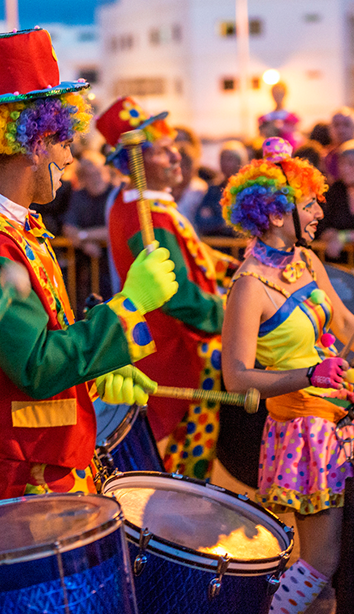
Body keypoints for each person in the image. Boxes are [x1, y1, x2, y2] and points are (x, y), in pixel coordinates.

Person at [0, 27, 178, 513]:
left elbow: (28, 345)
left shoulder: (10, 220)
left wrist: (96, 373)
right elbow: (35, 366)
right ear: (36, 142)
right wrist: (131, 305)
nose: (72, 158)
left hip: (26, 464)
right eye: (66, 142)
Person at [221, 138, 354, 614]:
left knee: (349, 552)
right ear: (275, 214)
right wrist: (308, 371)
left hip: (343, 415)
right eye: (311, 203)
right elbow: (237, 378)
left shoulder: (306, 259)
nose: (320, 211)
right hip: (304, 430)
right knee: (319, 560)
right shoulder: (249, 287)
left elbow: (344, 322)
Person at [100, 96, 228, 480]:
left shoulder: (151, 205)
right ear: (136, 162)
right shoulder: (144, 215)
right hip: (180, 347)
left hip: (180, 340)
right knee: (186, 457)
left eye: (176, 149)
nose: (177, 159)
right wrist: (228, 314)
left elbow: (197, 255)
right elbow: (175, 296)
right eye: (164, 152)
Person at [63, 149, 114, 311]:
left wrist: (83, 235)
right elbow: (68, 227)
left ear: (105, 171)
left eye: (97, 172)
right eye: (88, 174)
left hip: (112, 265)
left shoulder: (115, 194)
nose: (94, 177)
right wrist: (85, 245)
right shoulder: (79, 196)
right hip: (87, 267)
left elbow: (113, 229)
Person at [194, 140, 249, 237]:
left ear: (240, 161)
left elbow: (249, 223)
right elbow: (200, 221)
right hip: (217, 246)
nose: (224, 163)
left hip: (241, 248)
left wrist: (217, 220)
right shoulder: (213, 190)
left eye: (229, 159)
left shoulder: (249, 190)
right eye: (222, 159)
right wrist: (228, 222)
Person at [258, 81, 300, 149]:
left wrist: (281, 127)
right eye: (275, 93)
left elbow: (296, 132)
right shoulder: (266, 116)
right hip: (270, 150)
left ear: (285, 94)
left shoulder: (291, 115)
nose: (277, 96)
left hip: (287, 150)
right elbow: (260, 135)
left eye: (280, 93)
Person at [322, 108, 354, 182]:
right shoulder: (324, 157)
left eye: (346, 125)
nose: (341, 130)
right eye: (336, 125)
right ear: (330, 129)